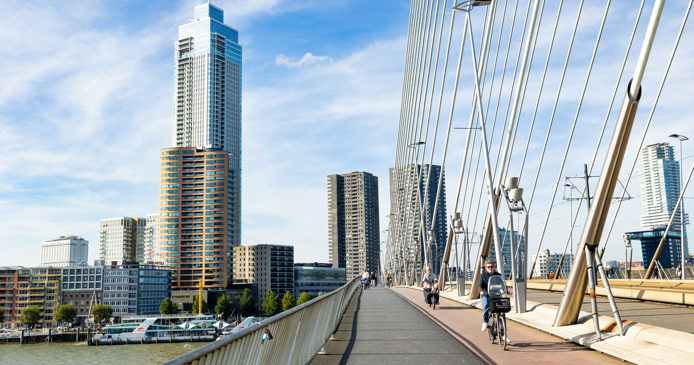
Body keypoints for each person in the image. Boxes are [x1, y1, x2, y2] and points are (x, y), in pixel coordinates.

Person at [479, 260, 501, 332]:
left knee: (502, 311)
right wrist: (481, 291)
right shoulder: (483, 275)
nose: (490, 268)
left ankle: (503, 334)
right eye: (488, 267)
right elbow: (480, 285)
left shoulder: (498, 275)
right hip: (486, 294)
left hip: (495, 294)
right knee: (485, 305)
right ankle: (485, 322)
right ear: (486, 268)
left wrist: (506, 290)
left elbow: (502, 284)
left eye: (491, 267)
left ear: (494, 267)